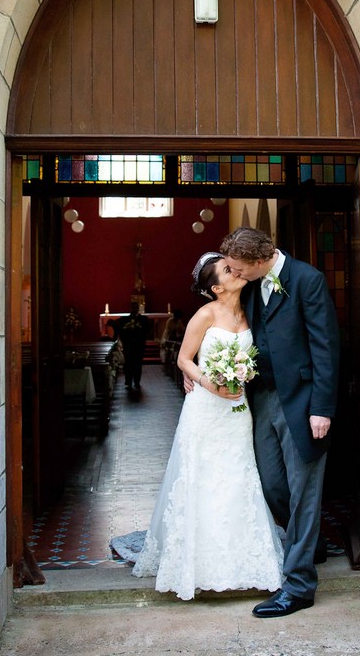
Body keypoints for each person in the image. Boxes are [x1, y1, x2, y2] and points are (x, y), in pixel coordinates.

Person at [131, 252, 283, 600]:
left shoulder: (252, 311)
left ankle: (244, 562)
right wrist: (205, 381)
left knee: (239, 476)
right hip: (205, 410)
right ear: (216, 287)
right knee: (202, 477)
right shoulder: (205, 314)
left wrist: (241, 377)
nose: (237, 271)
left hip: (237, 409)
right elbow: (185, 359)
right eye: (229, 270)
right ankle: (197, 564)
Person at [219, 226, 340, 619]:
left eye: (238, 268)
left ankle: (299, 585)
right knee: (272, 483)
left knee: (304, 491)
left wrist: (322, 408)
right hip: (264, 398)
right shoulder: (251, 285)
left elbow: (326, 346)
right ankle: (311, 544)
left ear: (258, 261)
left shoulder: (307, 280)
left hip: (303, 404)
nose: (235, 274)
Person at [117, 300, 149, 392]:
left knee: (138, 364)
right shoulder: (124, 320)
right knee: (128, 364)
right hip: (128, 345)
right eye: (133, 307)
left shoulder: (143, 319)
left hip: (139, 345)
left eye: (136, 307)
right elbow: (121, 332)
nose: (134, 309)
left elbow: (146, 331)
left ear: (138, 308)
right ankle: (128, 382)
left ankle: (137, 381)